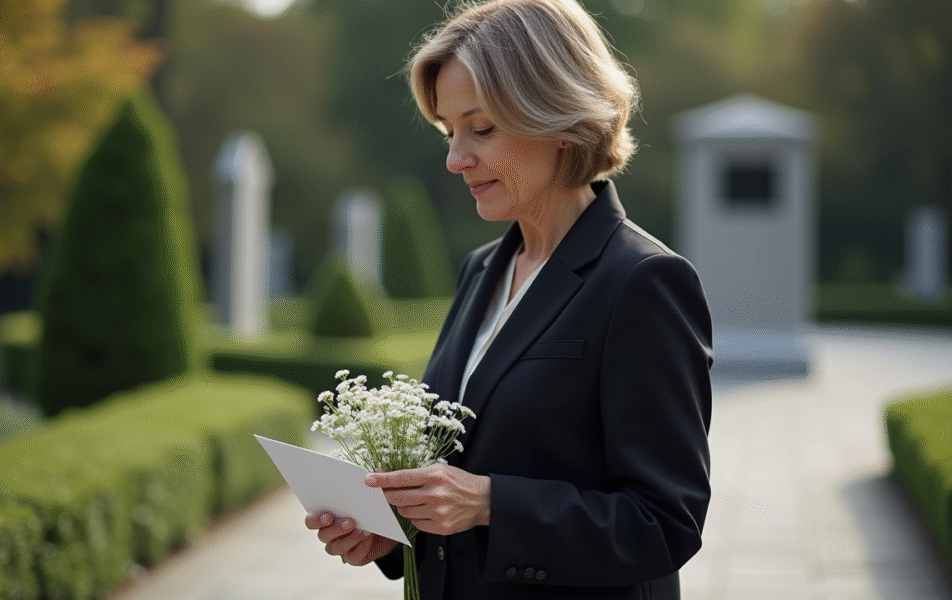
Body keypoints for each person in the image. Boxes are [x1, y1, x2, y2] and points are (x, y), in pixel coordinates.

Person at [305, 0, 713, 598]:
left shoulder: (644, 282)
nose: (454, 158)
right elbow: (457, 485)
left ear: (557, 116)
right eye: (449, 131)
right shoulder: (480, 272)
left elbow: (665, 523)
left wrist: (492, 502)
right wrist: (393, 532)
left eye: (482, 128)